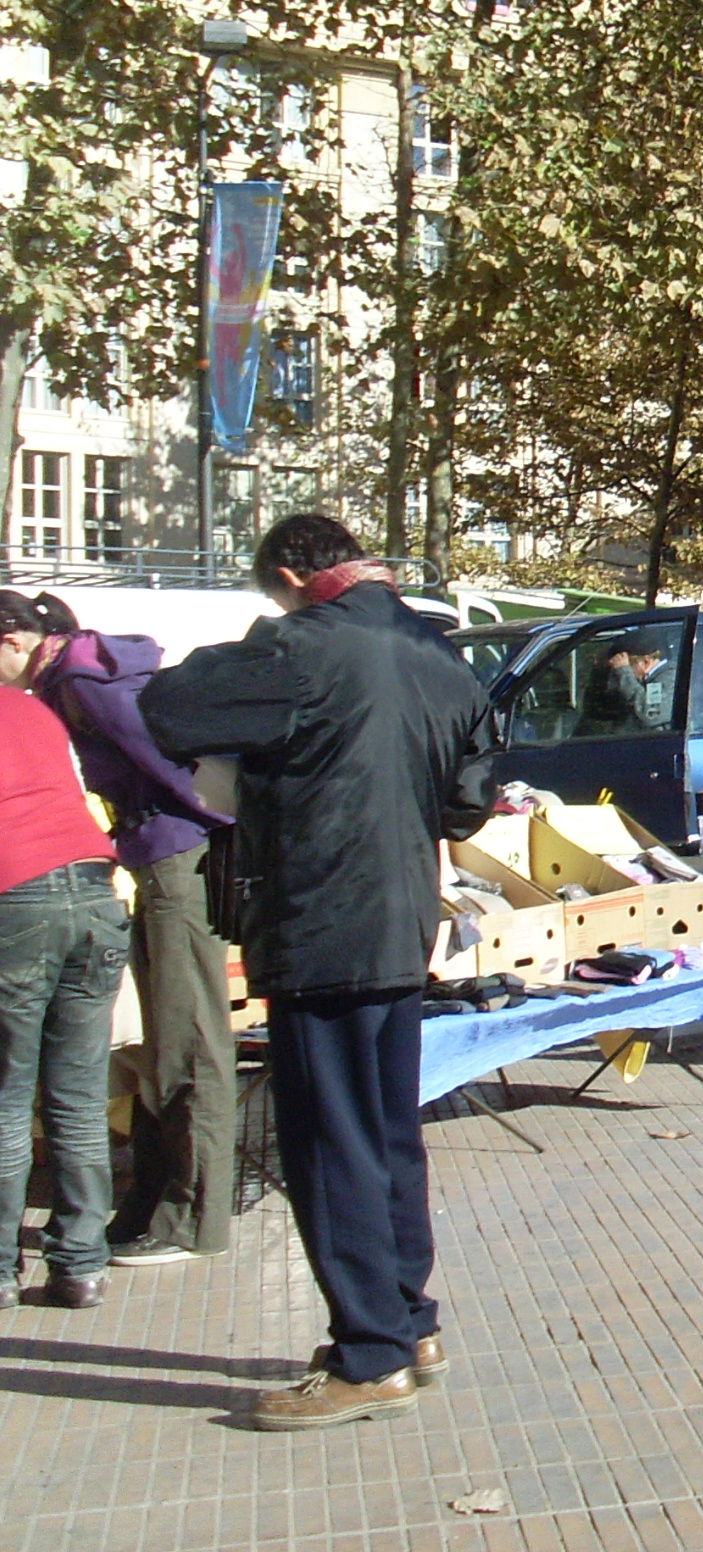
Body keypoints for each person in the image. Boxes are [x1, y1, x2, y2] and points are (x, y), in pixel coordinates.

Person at [140, 517, 495, 1429]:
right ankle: (409, 1323)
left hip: (319, 919)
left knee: (329, 1142)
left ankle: (368, 1355)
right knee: (386, 1133)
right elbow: (467, 804)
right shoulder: (438, 650)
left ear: (294, 576)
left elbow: (171, 708)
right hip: (401, 918)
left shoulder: (297, 646)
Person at [0, 591, 236, 1267]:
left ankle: (194, 1219)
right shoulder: (75, 676)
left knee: (187, 1042)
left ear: (16, 640)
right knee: (163, 1046)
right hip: (155, 852)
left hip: (172, 855)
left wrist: (208, 820)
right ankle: (151, 1210)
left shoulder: (76, 680)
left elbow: (165, 758)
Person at [0, 677, 130, 1308]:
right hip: (94, 889)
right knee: (78, 1095)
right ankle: (80, 1267)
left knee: (6, 1095)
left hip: (14, 897)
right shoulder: (30, 708)